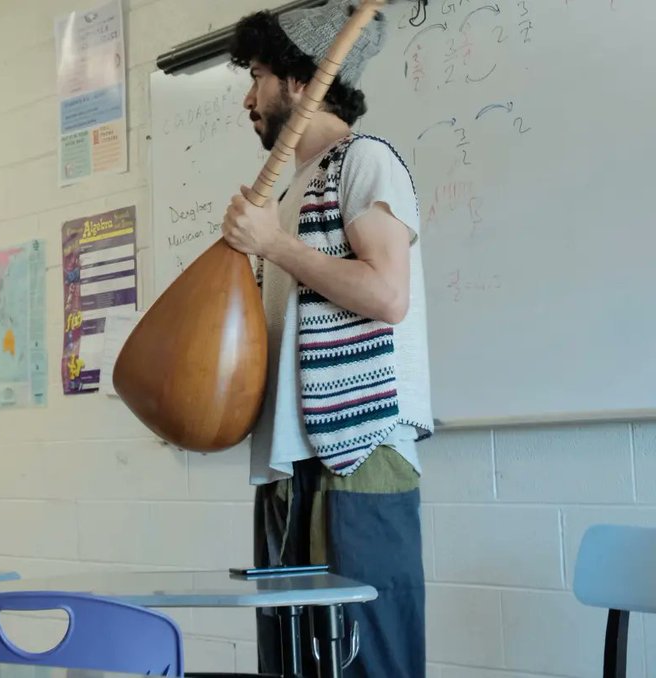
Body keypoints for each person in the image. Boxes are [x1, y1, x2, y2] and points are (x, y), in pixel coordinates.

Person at [220, 2, 433, 676]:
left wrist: (276, 246)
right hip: (293, 462)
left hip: (359, 453)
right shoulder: (288, 191)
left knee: (369, 659)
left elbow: (385, 295)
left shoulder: (365, 163)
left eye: (256, 76)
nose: (248, 99)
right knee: (295, 661)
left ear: (297, 79)